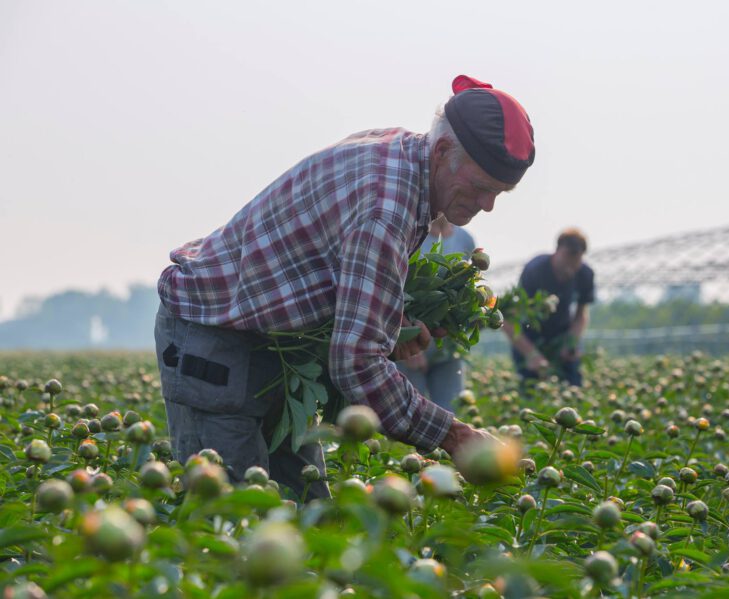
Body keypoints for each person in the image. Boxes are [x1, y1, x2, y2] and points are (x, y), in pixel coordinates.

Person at [154, 74, 535, 501]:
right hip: (213, 339)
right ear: (443, 151)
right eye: (482, 187)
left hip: (274, 346)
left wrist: (394, 324)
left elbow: (339, 274)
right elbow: (355, 362)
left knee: (307, 510)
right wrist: (454, 435)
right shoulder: (386, 209)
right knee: (233, 518)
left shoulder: (403, 153)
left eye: (499, 193)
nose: (487, 205)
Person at [397, 215, 475, 413]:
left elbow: (466, 290)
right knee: (409, 416)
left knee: (452, 412)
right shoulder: (412, 234)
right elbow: (394, 289)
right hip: (411, 343)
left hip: (448, 348)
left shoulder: (465, 239)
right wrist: (404, 339)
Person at [503, 229, 594, 387]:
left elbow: (581, 314)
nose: (570, 269)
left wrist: (571, 343)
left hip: (561, 336)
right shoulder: (535, 270)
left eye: (575, 263)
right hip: (530, 336)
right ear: (557, 251)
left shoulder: (585, 274)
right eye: (567, 260)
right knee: (530, 389)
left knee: (572, 385)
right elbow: (509, 317)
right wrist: (531, 354)